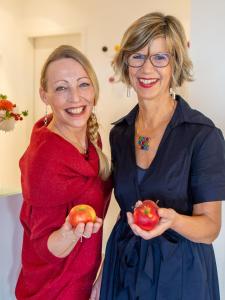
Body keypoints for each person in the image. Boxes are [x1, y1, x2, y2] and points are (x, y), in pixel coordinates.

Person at [92, 12, 225, 300]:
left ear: (175, 64)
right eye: (137, 57)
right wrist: (103, 272)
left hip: (181, 277)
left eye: (160, 57)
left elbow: (211, 227)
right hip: (124, 270)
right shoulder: (120, 134)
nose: (146, 68)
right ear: (126, 64)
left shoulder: (202, 135)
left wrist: (173, 220)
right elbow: (123, 212)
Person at [15, 45, 112, 300]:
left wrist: (99, 269)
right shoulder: (45, 157)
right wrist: (67, 234)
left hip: (81, 283)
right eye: (61, 87)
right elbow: (45, 247)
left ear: (94, 89)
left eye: (82, 84)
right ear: (44, 95)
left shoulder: (92, 140)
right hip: (52, 291)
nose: (75, 98)